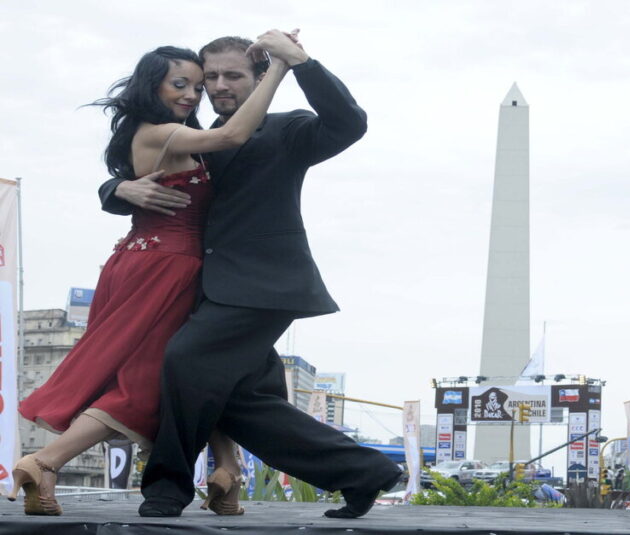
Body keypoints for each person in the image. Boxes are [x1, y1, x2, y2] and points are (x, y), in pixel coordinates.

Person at [99, 32, 401, 519]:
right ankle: (364, 474)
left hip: (264, 285)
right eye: (209, 77)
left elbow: (349, 123)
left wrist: (301, 62)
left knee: (183, 360)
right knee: (240, 403)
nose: (218, 85)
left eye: (232, 75)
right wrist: (118, 190)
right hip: (201, 286)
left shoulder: (287, 130)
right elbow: (132, 168)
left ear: (260, 77)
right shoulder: (192, 136)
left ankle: (165, 489)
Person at [11, 42, 289, 516]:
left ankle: (227, 472)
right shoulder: (161, 132)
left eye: (195, 87)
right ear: (151, 84)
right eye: (179, 84)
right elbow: (235, 135)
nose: (191, 94)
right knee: (143, 383)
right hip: (166, 269)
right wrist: (280, 67)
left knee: (208, 367)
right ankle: (44, 462)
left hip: (160, 262)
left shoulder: (172, 132)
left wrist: (118, 186)